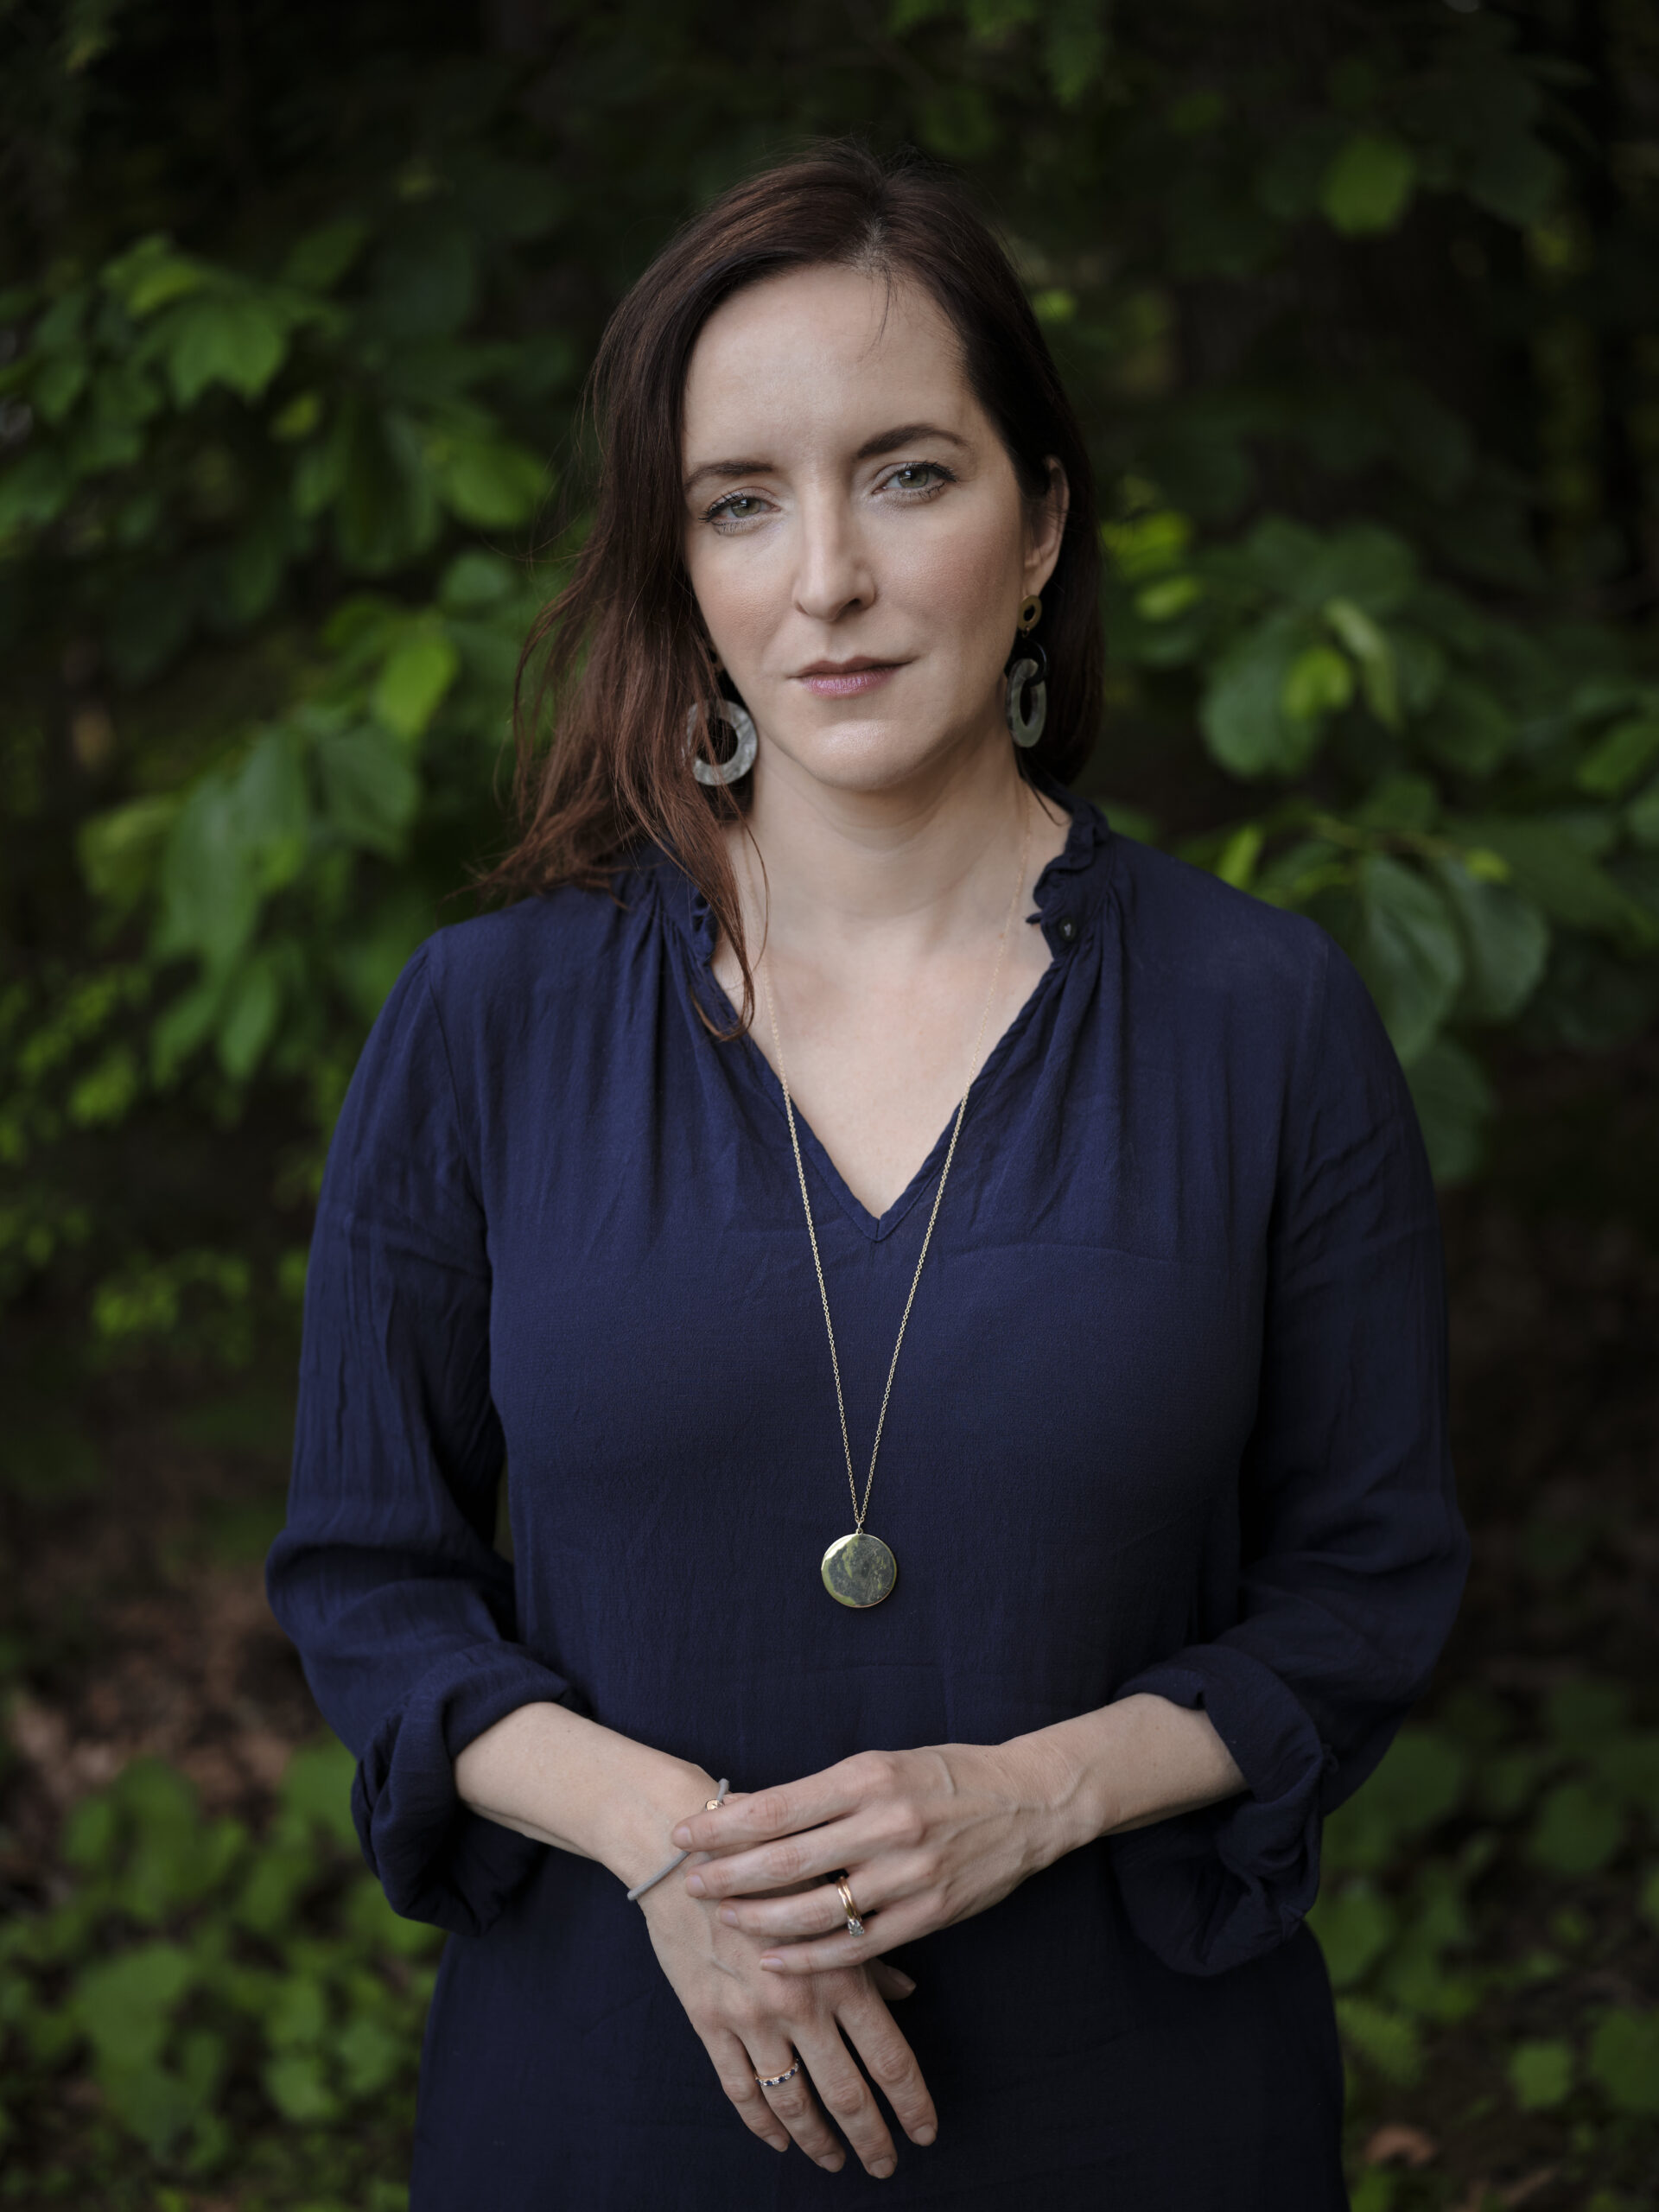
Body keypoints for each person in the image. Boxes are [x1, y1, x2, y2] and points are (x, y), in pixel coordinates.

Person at [266, 142, 1468, 2209]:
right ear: (684, 565)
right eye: (743, 501)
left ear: (1041, 525)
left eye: (907, 474)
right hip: (608, 2104)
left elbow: (1366, 1589)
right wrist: (669, 1841)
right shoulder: (488, 1023)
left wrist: (1028, 1793)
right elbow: (368, 1581)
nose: (824, 574)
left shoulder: (1262, 1015)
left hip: (1140, 2103)